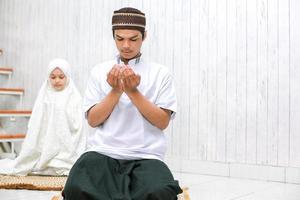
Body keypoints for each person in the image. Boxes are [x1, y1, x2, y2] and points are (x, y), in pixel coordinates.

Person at [63, 7, 182, 200]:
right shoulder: (99, 71)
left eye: (133, 39)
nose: (126, 45)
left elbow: (162, 122)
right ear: (113, 36)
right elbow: (93, 120)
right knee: (75, 187)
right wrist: (116, 90)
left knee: (160, 192)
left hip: (146, 155)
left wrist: (133, 92)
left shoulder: (161, 73)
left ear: (144, 37)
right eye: (120, 39)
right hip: (102, 152)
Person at [0, 58, 86, 176]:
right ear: (48, 77)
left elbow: (80, 125)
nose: (57, 81)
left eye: (61, 77)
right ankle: (46, 159)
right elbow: (37, 121)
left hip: (67, 143)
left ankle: (61, 159)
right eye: (53, 77)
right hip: (46, 141)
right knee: (37, 162)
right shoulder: (44, 95)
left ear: (68, 77)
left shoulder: (74, 97)